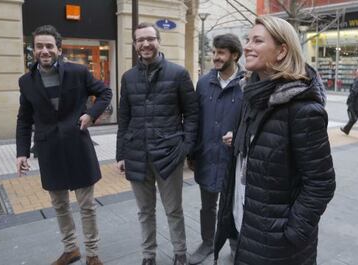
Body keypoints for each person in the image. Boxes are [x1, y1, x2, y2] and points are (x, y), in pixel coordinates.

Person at [214, 15, 336, 265]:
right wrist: (240, 141)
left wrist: (292, 233)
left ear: (282, 51)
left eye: (257, 41)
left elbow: (321, 183)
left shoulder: (303, 109)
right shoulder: (252, 95)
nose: (247, 46)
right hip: (245, 226)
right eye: (247, 40)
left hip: (279, 245)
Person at [16, 25, 112, 265]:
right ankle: (71, 249)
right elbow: (24, 119)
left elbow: (105, 93)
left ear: (58, 49)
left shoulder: (78, 72)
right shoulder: (26, 81)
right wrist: (21, 153)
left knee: (87, 205)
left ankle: (92, 254)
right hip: (49, 150)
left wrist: (91, 115)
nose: (45, 50)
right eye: (40, 46)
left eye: (49, 46)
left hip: (78, 147)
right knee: (59, 205)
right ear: (33, 50)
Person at [115, 22, 198, 265]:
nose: (145, 44)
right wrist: (121, 154)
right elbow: (124, 118)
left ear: (158, 41)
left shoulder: (178, 73)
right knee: (144, 211)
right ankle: (148, 256)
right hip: (137, 154)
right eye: (140, 40)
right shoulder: (128, 77)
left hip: (169, 154)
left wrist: (185, 147)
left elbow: (192, 114)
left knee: (173, 210)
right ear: (135, 45)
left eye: (150, 38)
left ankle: (180, 253)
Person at [187, 33, 244, 265]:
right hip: (207, 155)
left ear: (234, 55)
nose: (215, 57)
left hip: (234, 159)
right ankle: (207, 242)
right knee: (208, 206)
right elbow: (194, 119)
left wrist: (239, 137)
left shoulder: (247, 83)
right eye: (214, 52)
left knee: (233, 205)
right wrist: (191, 152)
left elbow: (254, 121)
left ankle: (234, 244)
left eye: (221, 53)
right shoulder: (204, 82)